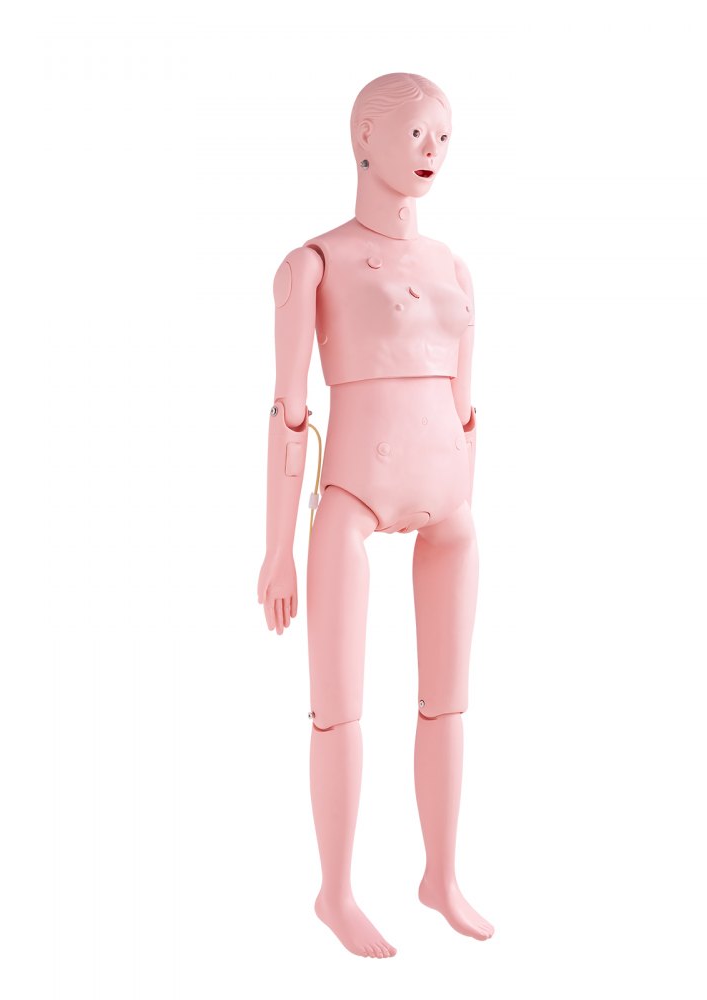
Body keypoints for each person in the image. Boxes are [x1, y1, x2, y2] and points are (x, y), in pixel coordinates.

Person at [257, 72, 493, 958]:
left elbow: (466, 406)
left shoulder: (455, 267)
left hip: (451, 510)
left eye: (444, 135)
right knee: (339, 710)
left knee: (447, 704)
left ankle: (441, 876)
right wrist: (276, 549)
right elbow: (289, 415)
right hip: (353, 499)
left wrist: (469, 486)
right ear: (364, 137)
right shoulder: (311, 265)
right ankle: (336, 891)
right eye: (417, 134)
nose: (434, 151)